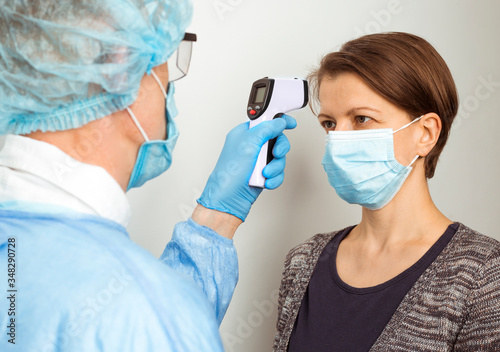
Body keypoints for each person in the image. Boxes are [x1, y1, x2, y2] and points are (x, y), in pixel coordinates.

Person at [0, 0, 297, 351]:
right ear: (118, 69)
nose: (169, 87)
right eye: (165, 63)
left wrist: (217, 217)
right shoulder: (144, 310)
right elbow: (157, 321)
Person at [274, 32, 500, 351]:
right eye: (329, 123)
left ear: (425, 133)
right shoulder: (302, 261)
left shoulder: (483, 274)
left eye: (362, 118)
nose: (338, 140)